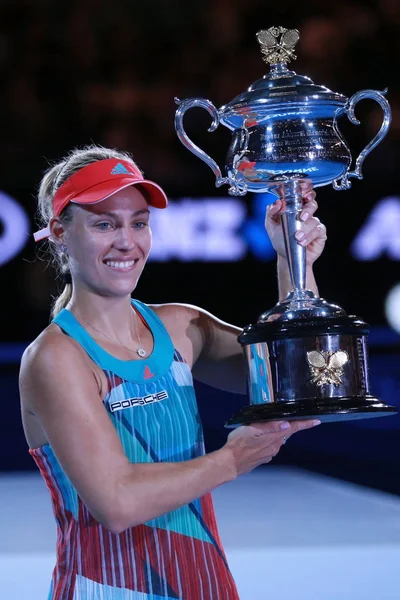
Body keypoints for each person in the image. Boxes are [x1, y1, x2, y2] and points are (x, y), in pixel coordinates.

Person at [19, 144, 325, 600]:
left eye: (138, 223)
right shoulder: (56, 358)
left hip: (204, 584)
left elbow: (297, 376)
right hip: (106, 590)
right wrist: (232, 459)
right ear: (61, 233)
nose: (127, 241)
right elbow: (117, 503)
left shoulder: (181, 327)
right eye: (105, 224)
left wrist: (292, 264)